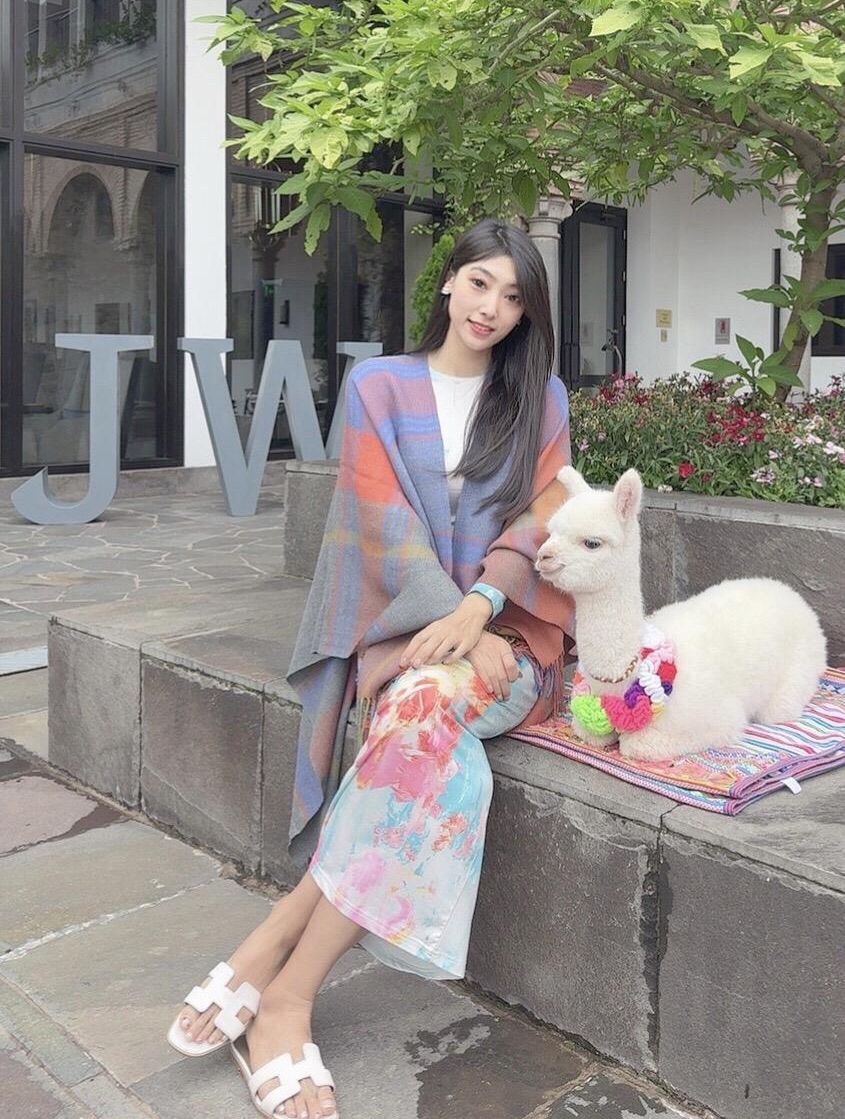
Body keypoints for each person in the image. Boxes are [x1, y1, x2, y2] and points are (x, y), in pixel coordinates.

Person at [167, 218, 575, 1119]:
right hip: (413, 635)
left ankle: (278, 970)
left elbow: (543, 518)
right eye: (480, 283)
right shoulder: (378, 386)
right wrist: (447, 617)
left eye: (513, 297)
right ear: (448, 281)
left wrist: (481, 610)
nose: (491, 308)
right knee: (423, 719)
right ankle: (280, 990)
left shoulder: (541, 399)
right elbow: (379, 524)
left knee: (419, 710)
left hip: (513, 644)